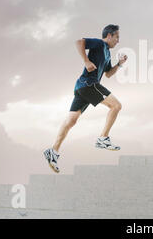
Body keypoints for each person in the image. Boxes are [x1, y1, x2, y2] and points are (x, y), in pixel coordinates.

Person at [43, 24, 127, 173]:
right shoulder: (100, 43)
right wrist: (86, 61)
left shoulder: (107, 53)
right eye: (117, 37)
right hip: (89, 84)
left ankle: (53, 151)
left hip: (82, 87)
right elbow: (79, 42)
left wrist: (119, 64)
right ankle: (103, 139)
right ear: (109, 35)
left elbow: (108, 74)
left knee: (71, 121)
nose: (118, 41)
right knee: (116, 106)